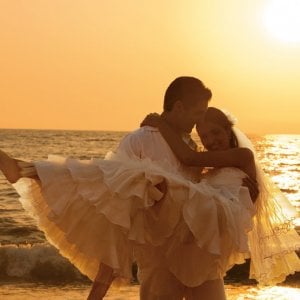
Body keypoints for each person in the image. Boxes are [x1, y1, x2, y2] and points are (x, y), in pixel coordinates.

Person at [0, 76, 259, 300]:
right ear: (179, 107)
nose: (200, 125)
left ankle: (27, 170)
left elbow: (198, 173)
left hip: (199, 253)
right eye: (198, 115)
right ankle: (27, 170)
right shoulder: (143, 139)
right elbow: (115, 200)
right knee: (125, 177)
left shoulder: (191, 148)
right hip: (159, 258)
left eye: (212, 129)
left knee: (148, 182)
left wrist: (247, 196)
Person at [141, 106, 300, 286]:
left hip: (216, 235)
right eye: (204, 137)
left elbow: (189, 158)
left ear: (227, 129)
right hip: (198, 236)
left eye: (215, 132)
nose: (211, 141)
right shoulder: (209, 166)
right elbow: (182, 169)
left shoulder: (243, 156)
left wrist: (162, 125)